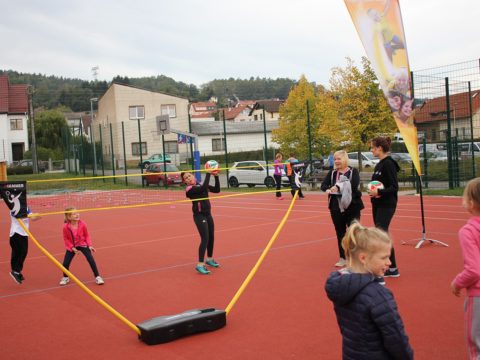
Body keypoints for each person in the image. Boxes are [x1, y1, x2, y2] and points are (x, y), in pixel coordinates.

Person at [325, 221, 414, 360]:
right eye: (384, 257)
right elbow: (396, 338)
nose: (389, 263)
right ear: (363, 258)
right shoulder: (378, 295)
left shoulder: (341, 287)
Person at [451, 177, 480, 358]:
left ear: (470, 203)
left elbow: (474, 269)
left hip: (478, 295)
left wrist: (457, 283)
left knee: (476, 343)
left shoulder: (468, 231)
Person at [321, 150, 364, 267]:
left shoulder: (353, 171)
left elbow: (353, 186)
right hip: (335, 207)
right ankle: (343, 257)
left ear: (344, 159)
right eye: (335, 159)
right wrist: (328, 189)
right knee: (340, 232)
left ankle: (356, 257)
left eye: (339, 159)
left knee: (354, 232)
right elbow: (323, 186)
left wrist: (338, 188)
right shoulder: (332, 172)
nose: (336, 161)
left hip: (352, 206)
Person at [369, 136, 401, 278]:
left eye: (372, 147)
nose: (371, 150)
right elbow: (377, 183)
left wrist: (379, 192)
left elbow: (394, 187)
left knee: (382, 235)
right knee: (381, 234)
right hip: (377, 203)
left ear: (379, 148)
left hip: (387, 205)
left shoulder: (389, 164)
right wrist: (373, 191)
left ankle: (392, 268)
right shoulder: (379, 164)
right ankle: (391, 267)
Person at [182, 167, 220, 275]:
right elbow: (203, 188)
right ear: (185, 182)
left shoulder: (200, 185)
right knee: (205, 238)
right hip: (199, 216)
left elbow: (217, 190)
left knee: (211, 237)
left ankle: (210, 258)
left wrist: (216, 177)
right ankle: (200, 264)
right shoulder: (189, 189)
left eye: (189, 176)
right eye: (186, 178)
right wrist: (208, 173)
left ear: (193, 176)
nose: (188, 178)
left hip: (208, 214)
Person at [59, 207, 104, 286]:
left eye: (77, 213)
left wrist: (89, 245)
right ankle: (65, 277)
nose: (77, 215)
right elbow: (66, 239)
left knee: (91, 260)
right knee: (65, 264)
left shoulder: (82, 224)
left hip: (82, 244)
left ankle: (97, 277)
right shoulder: (65, 227)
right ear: (69, 217)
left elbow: (87, 235)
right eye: (74, 214)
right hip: (72, 246)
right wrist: (72, 247)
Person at [9, 208, 39, 284]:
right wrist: (31, 216)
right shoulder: (14, 206)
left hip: (23, 233)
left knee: (20, 253)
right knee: (20, 253)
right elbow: (18, 216)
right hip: (16, 233)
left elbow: (33, 218)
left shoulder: (26, 208)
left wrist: (39, 216)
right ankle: (15, 271)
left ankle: (17, 271)